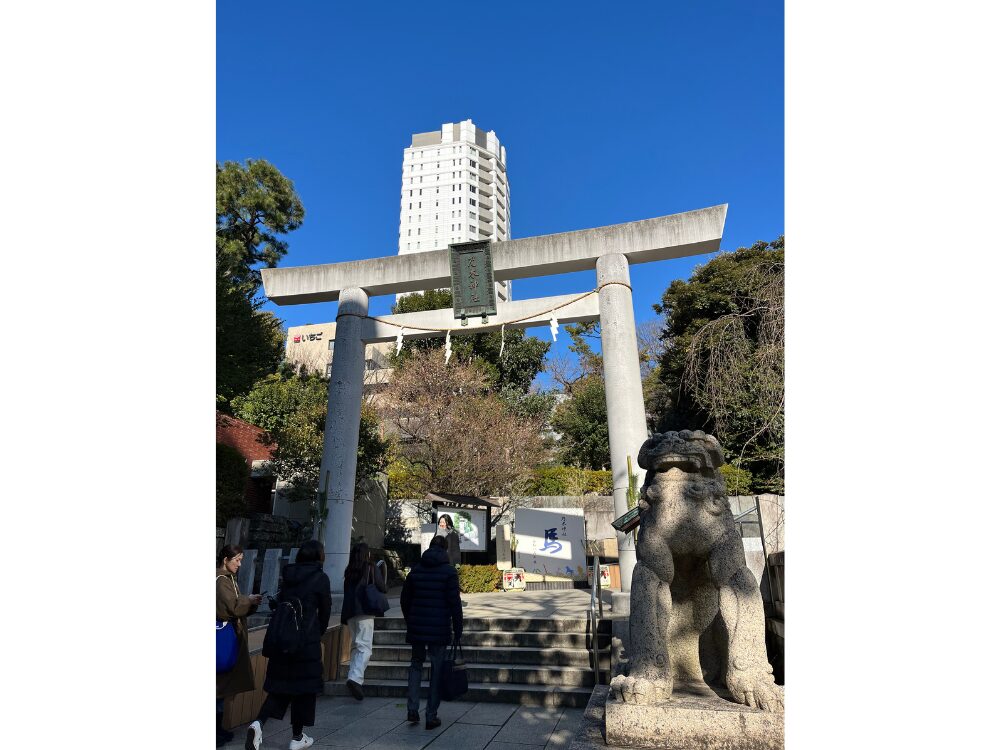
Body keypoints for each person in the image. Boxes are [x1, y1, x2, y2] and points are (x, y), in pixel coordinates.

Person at [245, 540, 332, 750]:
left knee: (279, 689)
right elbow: (325, 610)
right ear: (319, 556)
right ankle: (297, 737)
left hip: (283, 640)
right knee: (304, 689)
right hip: (306, 643)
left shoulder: (289, 576)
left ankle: (258, 724)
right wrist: (317, 633)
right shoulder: (320, 578)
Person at [400, 535, 463, 729]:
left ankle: (412, 709)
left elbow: (404, 600)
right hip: (439, 629)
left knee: (416, 664)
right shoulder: (449, 572)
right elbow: (455, 603)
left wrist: (410, 620)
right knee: (437, 670)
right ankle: (430, 715)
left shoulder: (415, 571)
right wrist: (458, 627)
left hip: (417, 627)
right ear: (445, 550)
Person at [216, 544, 263, 747]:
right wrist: (249, 600)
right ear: (225, 560)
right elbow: (233, 606)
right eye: (236, 560)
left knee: (221, 685)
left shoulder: (227, 579)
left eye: (241, 560)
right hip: (222, 635)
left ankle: (217, 729)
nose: (239, 564)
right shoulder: (221, 581)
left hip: (225, 634)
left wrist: (249, 603)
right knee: (218, 683)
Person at [339, 542, 388, 701]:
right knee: (365, 647)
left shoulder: (349, 569)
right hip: (365, 610)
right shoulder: (370, 567)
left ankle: (352, 677)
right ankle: (355, 678)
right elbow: (382, 586)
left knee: (356, 645)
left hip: (350, 612)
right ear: (366, 554)